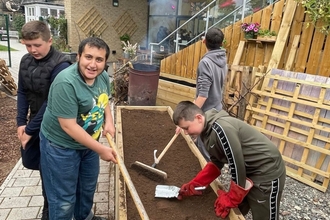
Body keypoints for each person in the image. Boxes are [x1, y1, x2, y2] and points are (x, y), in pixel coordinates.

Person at [39, 37, 118, 220]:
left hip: (88, 145)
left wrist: (109, 121)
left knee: (87, 188)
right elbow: (68, 126)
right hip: (61, 147)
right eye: (88, 57)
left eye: (99, 60)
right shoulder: (65, 83)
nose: (93, 64)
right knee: (63, 199)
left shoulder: (103, 77)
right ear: (78, 57)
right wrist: (101, 150)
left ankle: (84, 217)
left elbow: (104, 99)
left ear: (105, 62)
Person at [173, 101, 286, 220]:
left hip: (267, 171)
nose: (185, 132)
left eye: (186, 128)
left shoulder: (222, 129)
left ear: (199, 118)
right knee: (238, 210)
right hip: (249, 170)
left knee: (263, 216)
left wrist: (232, 197)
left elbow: (236, 165)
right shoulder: (206, 132)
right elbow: (216, 162)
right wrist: (196, 183)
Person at [16, 20, 72, 220]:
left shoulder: (61, 65)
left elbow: (52, 103)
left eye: (37, 45)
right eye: (28, 45)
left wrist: (30, 131)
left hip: (56, 129)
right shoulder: (25, 61)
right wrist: (21, 122)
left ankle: (50, 213)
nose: (32, 50)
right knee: (41, 169)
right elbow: (22, 92)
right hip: (34, 123)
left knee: (53, 175)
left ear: (50, 40)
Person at [176, 28, 227, 161]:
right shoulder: (223, 60)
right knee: (211, 151)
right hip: (217, 109)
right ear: (221, 43)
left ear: (204, 41)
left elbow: (203, 96)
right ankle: (210, 177)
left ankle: (208, 180)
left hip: (206, 115)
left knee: (203, 153)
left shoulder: (206, 63)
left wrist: (186, 117)